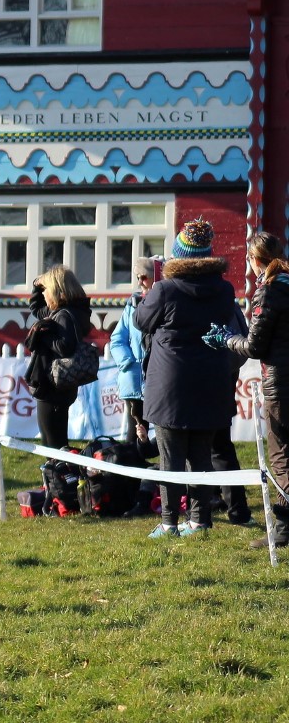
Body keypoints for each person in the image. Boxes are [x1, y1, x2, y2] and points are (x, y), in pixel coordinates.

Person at [136, 218, 237, 538]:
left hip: (171, 383)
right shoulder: (224, 289)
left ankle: (169, 522)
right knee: (201, 458)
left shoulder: (165, 290)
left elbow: (141, 321)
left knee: (171, 459)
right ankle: (200, 520)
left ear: (177, 257)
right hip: (210, 380)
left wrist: (148, 295)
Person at [213, 231, 289, 547]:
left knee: (281, 454)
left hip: (280, 384)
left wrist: (225, 338)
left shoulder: (268, 292)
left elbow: (255, 346)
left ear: (255, 260)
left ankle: (284, 528)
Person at [24, 265, 93, 451]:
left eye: (45, 289)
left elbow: (65, 346)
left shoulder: (63, 315)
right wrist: (37, 285)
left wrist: (43, 334)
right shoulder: (73, 311)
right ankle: (56, 478)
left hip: (53, 389)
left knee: (52, 444)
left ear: (56, 289)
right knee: (53, 441)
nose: (43, 294)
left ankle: (59, 478)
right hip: (59, 388)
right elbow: (37, 308)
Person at [109, 257, 162, 431]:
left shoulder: (167, 304)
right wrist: (128, 362)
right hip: (135, 379)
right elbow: (117, 339)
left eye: (144, 277)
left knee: (165, 436)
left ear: (157, 277)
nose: (139, 282)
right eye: (137, 277)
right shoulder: (133, 305)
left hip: (161, 378)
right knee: (136, 435)